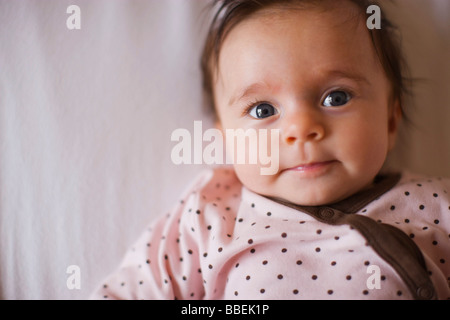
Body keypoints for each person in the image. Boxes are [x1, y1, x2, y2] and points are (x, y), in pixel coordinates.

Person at [91, 0, 450, 300]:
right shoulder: (211, 213)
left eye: (335, 97)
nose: (300, 129)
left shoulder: (435, 206)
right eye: (263, 110)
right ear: (228, 141)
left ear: (390, 120)